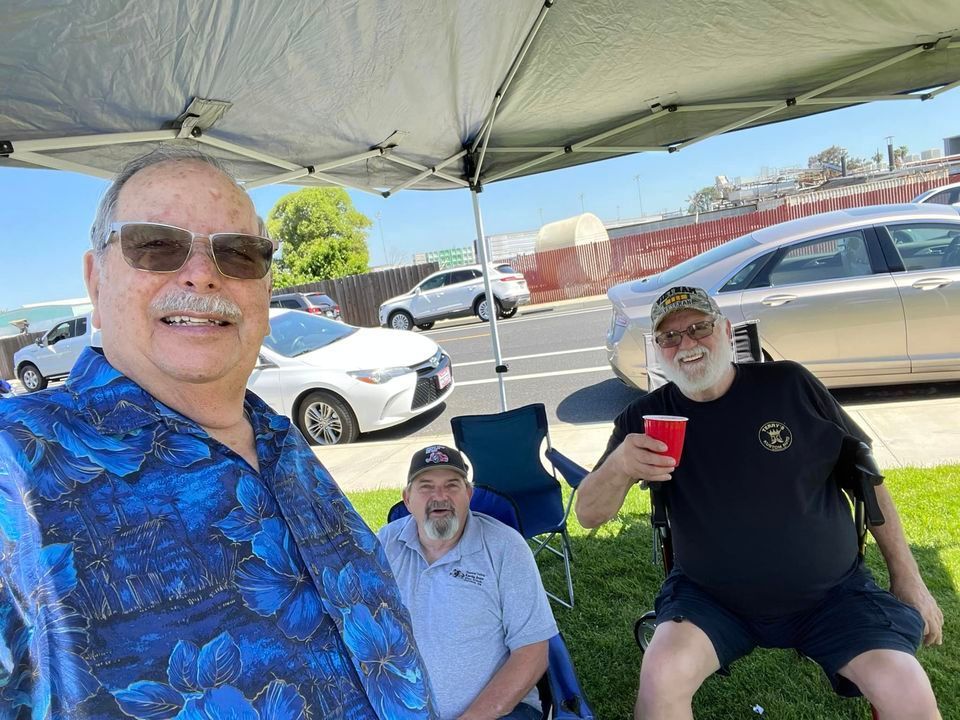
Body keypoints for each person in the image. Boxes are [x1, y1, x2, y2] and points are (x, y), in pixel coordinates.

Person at [0, 148, 435, 719]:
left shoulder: (279, 439)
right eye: (156, 245)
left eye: (237, 252)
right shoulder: (15, 462)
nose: (204, 273)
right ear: (95, 281)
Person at [575, 285, 943, 720]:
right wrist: (620, 465)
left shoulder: (788, 384)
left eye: (699, 328)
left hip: (832, 596)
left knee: (905, 686)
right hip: (710, 600)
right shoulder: (646, 418)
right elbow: (587, 513)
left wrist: (909, 577)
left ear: (727, 331)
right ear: (658, 350)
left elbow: (866, 478)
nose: (686, 344)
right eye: (670, 337)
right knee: (661, 672)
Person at [378, 445, 559, 720]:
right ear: (407, 499)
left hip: (498, 714)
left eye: (452, 485)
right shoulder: (382, 546)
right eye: (426, 486)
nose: (440, 497)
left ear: (468, 494)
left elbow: (532, 652)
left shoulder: (505, 548)